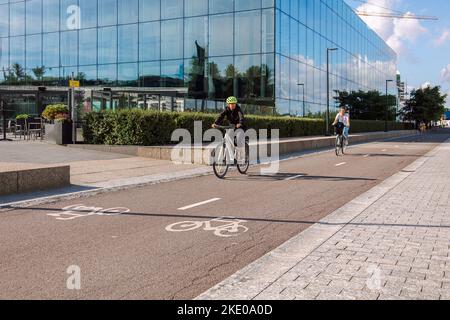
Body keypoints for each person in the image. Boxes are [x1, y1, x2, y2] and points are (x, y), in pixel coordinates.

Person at [212, 96, 246, 164]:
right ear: (228, 104)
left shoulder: (238, 109)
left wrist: (240, 123)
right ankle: (228, 157)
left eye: (234, 104)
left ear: (236, 104)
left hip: (240, 127)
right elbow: (221, 116)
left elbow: (241, 116)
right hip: (231, 127)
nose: (232, 105)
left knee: (238, 141)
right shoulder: (226, 110)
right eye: (231, 104)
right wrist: (215, 123)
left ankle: (242, 157)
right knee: (228, 140)